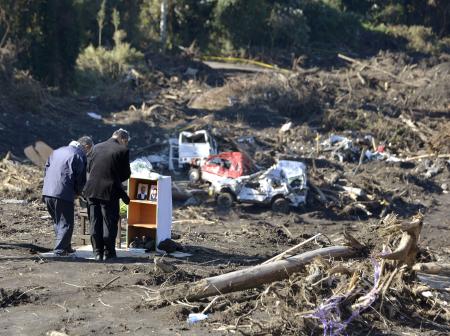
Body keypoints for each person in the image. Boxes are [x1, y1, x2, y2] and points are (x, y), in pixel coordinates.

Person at [84, 129, 131, 261]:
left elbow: (88, 168)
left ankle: (97, 252)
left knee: (94, 221)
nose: (125, 145)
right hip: (109, 192)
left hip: (91, 190)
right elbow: (125, 174)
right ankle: (109, 252)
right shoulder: (123, 151)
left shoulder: (95, 147)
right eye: (126, 142)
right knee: (109, 222)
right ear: (123, 139)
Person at [42, 136, 93, 256]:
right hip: (63, 193)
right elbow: (80, 178)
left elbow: (46, 170)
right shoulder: (79, 155)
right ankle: (59, 251)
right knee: (66, 223)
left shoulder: (57, 151)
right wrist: (79, 193)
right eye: (90, 149)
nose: (88, 153)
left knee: (58, 221)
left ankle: (66, 246)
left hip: (48, 191)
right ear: (86, 146)